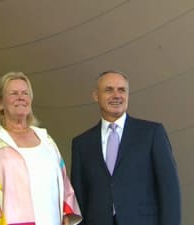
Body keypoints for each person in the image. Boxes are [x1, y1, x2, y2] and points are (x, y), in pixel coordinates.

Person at [70, 70, 181, 225]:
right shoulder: (81, 144)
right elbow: (79, 200)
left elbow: (170, 191)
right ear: (96, 96)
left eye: (122, 90)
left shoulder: (152, 133)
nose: (116, 95)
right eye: (109, 90)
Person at [0, 71, 82, 225]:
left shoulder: (47, 140)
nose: (20, 97)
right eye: (13, 93)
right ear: (0, 103)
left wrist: (66, 216)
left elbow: (65, 185)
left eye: (25, 93)